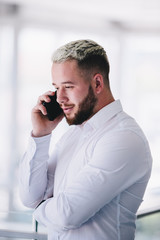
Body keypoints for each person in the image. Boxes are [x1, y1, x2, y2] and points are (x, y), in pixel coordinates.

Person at [19, 39, 152, 240]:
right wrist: (41, 135)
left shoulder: (124, 138)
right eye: (56, 87)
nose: (60, 98)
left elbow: (66, 215)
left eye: (68, 86)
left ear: (97, 83)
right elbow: (29, 197)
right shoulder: (75, 134)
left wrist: (40, 207)